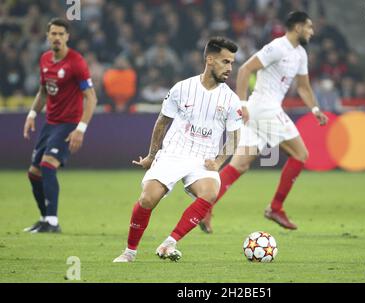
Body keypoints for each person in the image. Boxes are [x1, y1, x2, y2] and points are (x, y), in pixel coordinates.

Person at [113, 37, 241, 262]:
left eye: (232, 63)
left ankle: (169, 243)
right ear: (210, 60)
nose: (230, 68)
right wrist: (152, 155)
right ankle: (130, 252)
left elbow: (234, 136)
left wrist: (219, 161)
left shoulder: (231, 99)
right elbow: (162, 122)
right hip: (173, 153)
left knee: (210, 192)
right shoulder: (182, 88)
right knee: (147, 199)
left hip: (204, 158)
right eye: (225, 62)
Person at [199, 11, 328, 233]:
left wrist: (315, 108)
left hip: (262, 112)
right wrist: (242, 104)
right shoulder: (277, 47)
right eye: (308, 27)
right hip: (263, 108)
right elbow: (245, 69)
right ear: (297, 27)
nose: (312, 31)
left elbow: (304, 87)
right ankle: (275, 207)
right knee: (301, 154)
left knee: (238, 165)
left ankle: (204, 206)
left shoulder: (300, 54)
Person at [23, 18, 98, 233]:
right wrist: (31, 115)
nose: (56, 37)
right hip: (49, 123)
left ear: (67, 37)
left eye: (60, 34)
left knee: (47, 166)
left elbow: (91, 98)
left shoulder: (76, 62)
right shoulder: (45, 59)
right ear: (47, 36)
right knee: (33, 173)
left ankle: (53, 222)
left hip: (68, 124)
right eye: (53, 33)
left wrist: (80, 129)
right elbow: (43, 92)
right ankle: (44, 218)